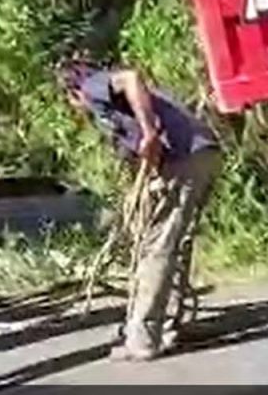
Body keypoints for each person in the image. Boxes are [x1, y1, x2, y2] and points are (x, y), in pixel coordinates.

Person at [59, 60, 222, 362]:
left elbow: (131, 78)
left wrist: (149, 132)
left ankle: (143, 339)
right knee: (174, 243)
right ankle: (170, 324)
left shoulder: (92, 86)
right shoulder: (122, 107)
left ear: (73, 93)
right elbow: (134, 152)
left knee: (155, 247)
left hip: (183, 157)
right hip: (203, 153)